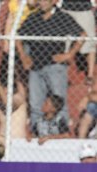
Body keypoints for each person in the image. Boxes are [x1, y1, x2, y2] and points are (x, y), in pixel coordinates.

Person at [16, 0, 86, 135]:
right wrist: (24, 56)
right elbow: (19, 36)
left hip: (55, 67)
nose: (41, 3)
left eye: (44, 1)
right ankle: (38, 133)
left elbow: (82, 35)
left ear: (53, 2)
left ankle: (61, 133)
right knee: (36, 104)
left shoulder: (62, 17)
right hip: (35, 67)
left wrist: (69, 54)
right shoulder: (34, 17)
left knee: (60, 103)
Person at [61, 0, 96, 85]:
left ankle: (90, 75)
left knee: (90, 42)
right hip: (67, 8)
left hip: (84, 9)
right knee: (64, 44)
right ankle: (62, 74)